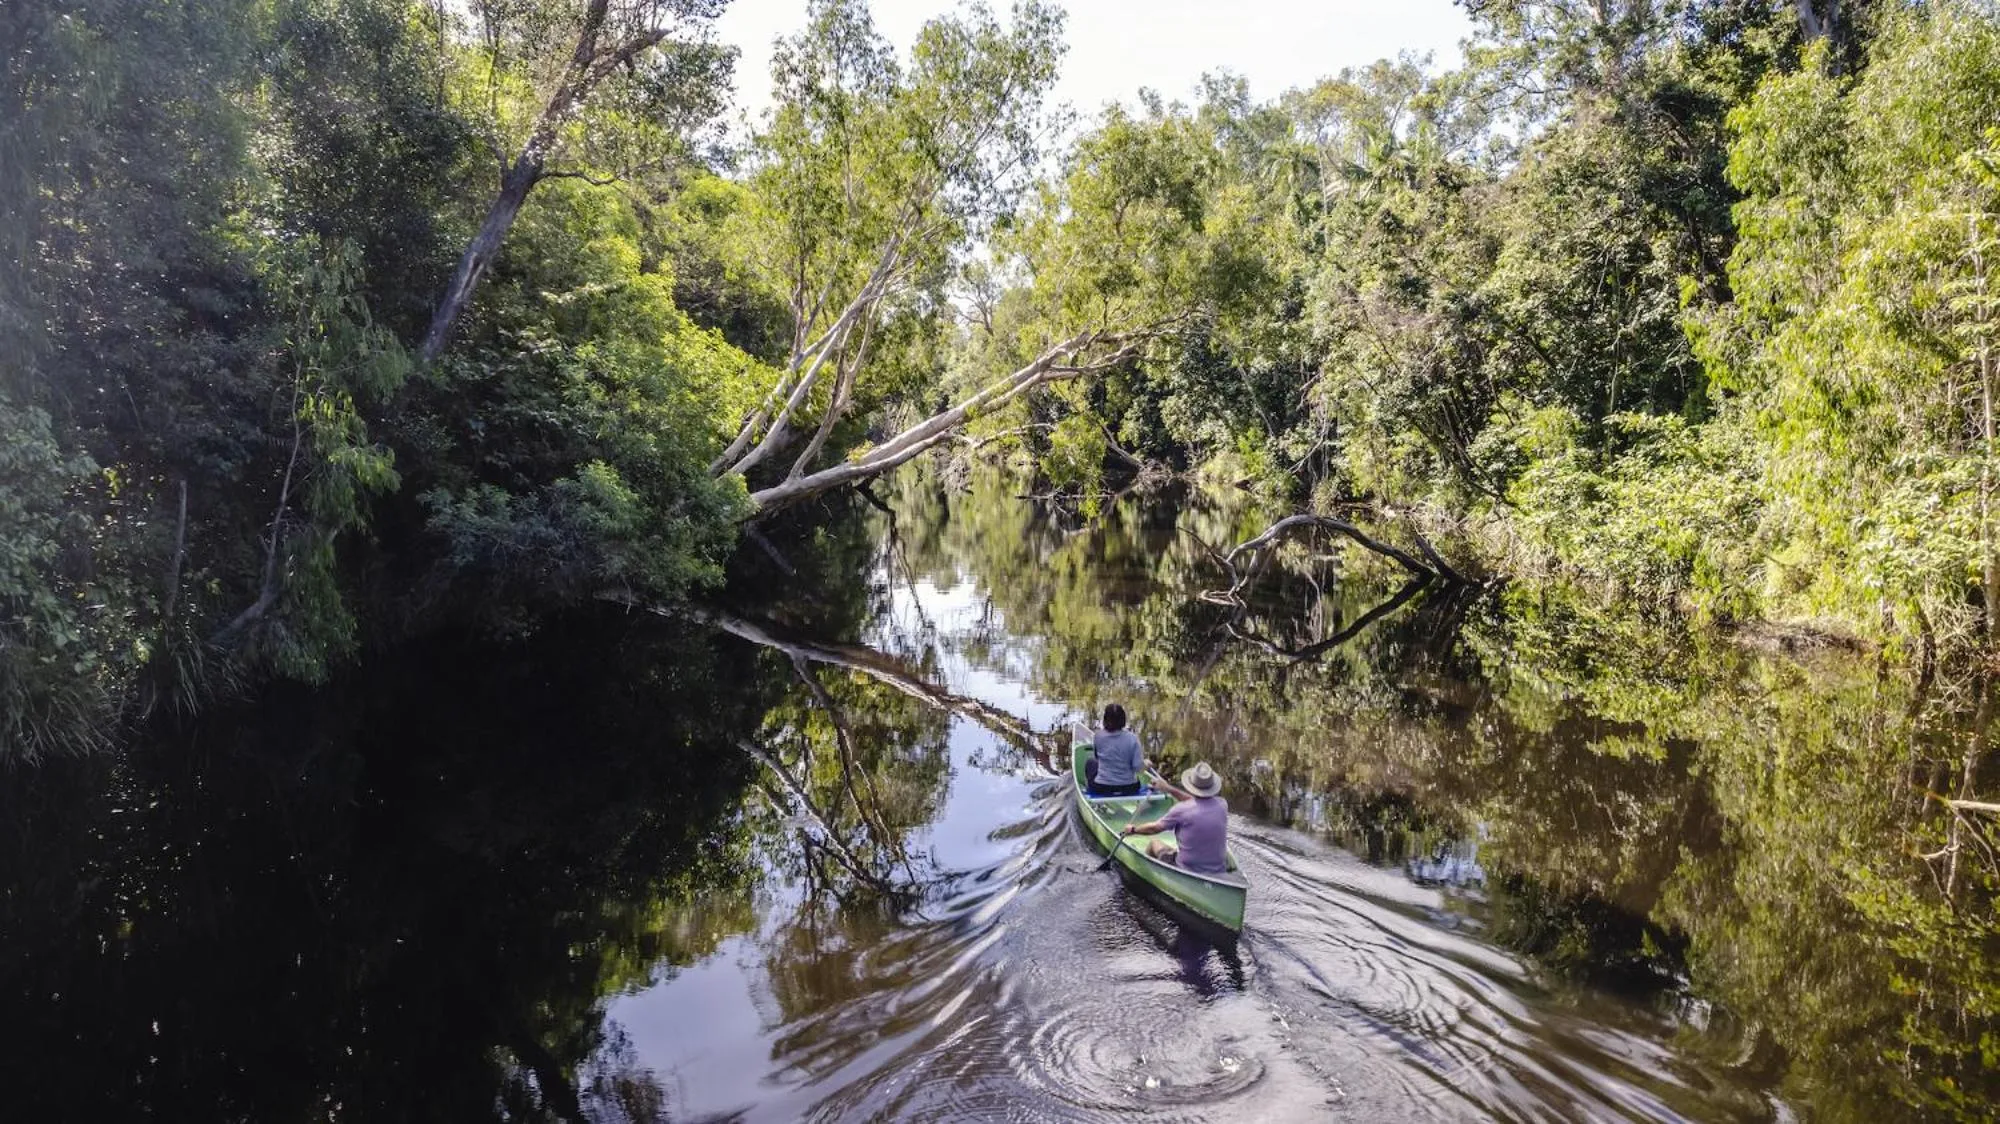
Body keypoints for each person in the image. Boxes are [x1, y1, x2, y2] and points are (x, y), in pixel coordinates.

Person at [1122, 762, 1229, 875]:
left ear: (1192, 785)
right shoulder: (1222, 804)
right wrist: (1169, 789)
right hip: (1217, 869)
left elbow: (1155, 828)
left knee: (1154, 843)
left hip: (1186, 868)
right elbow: (1196, 802)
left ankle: (1150, 874)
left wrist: (1133, 830)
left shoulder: (1181, 810)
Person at [1083, 703, 1145, 797]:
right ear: (1123, 719)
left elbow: (1097, 758)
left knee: (1091, 762)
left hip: (1102, 787)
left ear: (1105, 719)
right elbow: (1138, 768)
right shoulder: (1133, 738)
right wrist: (1145, 764)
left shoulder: (1098, 736)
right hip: (1129, 787)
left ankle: (1089, 789)